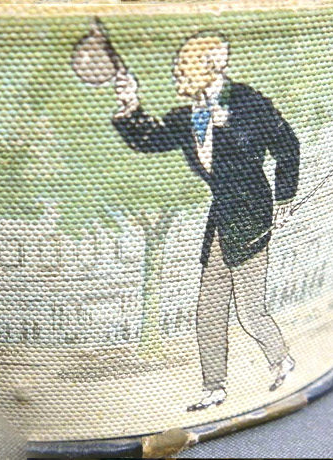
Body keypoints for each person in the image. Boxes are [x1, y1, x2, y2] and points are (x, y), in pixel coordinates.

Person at [110, 32, 299, 412]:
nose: (176, 75)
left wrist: (284, 198)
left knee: (249, 310)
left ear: (211, 67)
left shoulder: (247, 101)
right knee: (209, 311)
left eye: (183, 68)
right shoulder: (186, 116)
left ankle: (282, 361)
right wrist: (130, 104)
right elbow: (150, 139)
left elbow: (286, 145)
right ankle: (214, 388)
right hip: (221, 219)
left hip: (251, 214)